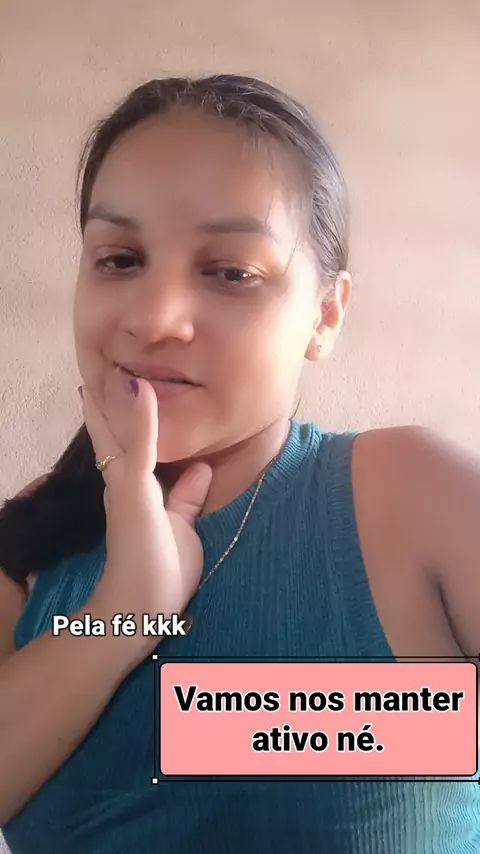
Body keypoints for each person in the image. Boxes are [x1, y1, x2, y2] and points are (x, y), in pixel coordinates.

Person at [0, 73, 479, 854]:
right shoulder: (30, 543)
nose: (155, 319)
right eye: (120, 259)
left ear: (325, 315)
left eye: (231, 273)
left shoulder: (411, 496)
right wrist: (128, 610)